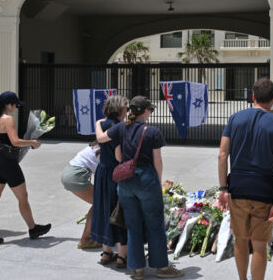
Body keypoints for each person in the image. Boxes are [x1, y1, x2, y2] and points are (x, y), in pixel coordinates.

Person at [98, 95, 182, 279]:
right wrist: (158, 182)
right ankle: (161, 267)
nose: (150, 112)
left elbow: (102, 138)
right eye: (150, 109)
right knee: (155, 224)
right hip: (146, 179)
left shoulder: (121, 127)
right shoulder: (152, 132)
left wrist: (99, 123)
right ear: (145, 111)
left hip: (126, 181)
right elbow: (157, 161)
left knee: (132, 225)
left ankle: (137, 269)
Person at [217, 78, 273, 280]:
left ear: (253, 96)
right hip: (264, 190)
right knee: (259, 245)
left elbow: (222, 154)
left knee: (240, 239)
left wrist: (223, 187)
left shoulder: (235, 119)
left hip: (238, 187)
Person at [0, 91, 51, 247]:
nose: (17, 107)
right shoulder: (7, 119)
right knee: (22, 197)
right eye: (16, 105)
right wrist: (32, 142)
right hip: (8, 164)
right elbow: (15, 141)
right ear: (9, 104)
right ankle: (33, 228)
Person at [91, 95, 128, 268]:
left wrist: (98, 123)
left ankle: (106, 252)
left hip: (102, 172)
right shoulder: (119, 128)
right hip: (115, 173)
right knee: (118, 212)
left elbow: (100, 140)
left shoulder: (103, 125)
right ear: (120, 110)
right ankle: (122, 256)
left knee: (103, 209)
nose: (127, 111)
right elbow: (119, 156)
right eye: (125, 108)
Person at [61, 141, 101, 249]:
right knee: (100, 204)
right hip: (75, 175)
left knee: (98, 203)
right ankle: (84, 240)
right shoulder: (104, 149)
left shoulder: (95, 145)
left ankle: (90, 237)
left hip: (70, 172)